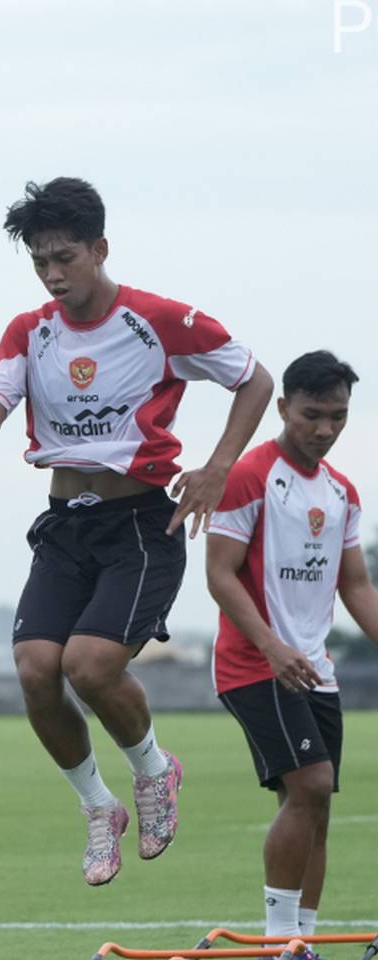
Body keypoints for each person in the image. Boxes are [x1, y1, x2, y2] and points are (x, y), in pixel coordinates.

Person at [0, 177, 272, 886]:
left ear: (100, 249)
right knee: (35, 671)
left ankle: (154, 771)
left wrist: (216, 469)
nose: (53, 275)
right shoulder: (29, 332)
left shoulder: (161, 322)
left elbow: (255, 379)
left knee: (88, 667)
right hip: (65, 526)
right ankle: (99, 807)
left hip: (142, 526)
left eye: (64, 258)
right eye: (39, 262)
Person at [206, 351, 377, 951]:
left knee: (316, 804)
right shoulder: (249, 475)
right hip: (255, 664)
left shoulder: (342, 492)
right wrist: (273, 647)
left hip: (315, 669)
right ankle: (281, 940)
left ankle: (302, 938)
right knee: (310, 785)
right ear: (283, 408)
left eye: (338, 416)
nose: (325, 429)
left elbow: (355, 585)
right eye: (312, 415)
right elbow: (220, 575)